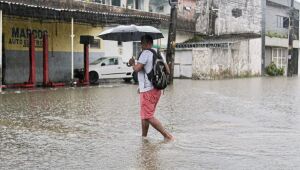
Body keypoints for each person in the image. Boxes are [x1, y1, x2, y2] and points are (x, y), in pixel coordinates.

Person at [128, 35, 173, 140]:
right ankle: (144, 137)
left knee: (148, 116)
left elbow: (137, 69)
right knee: (145, 115)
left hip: (148, 90)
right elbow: (168, 71)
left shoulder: (145, 53)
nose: (141, 46)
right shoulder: (158, 52)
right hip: (157, 89)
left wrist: (132, 63)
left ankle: (168, 136)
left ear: (147, 43)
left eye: (141, 43)